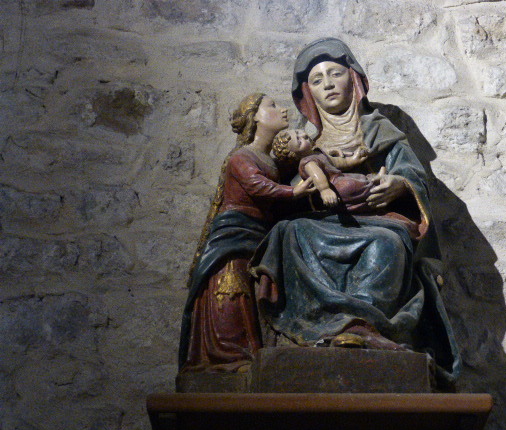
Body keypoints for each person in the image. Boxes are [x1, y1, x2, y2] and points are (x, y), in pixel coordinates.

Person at [250, 38, 461, 383]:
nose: (328, 84)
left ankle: (363, 325)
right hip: (321, 221)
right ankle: (320, 327)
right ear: (308, 94)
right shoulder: (302, 141)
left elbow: (414, 178)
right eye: (317, 80)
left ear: (354, 80)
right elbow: (289, 190)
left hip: (379, 222)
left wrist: (398, 185)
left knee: (388, 244)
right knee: (289, 233)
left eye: (335, 74)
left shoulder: (382, 130)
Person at [178, 93, 314, 373]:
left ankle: (253, 350)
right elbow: (256, 185)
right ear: (255, 118)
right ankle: (225, 355)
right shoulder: (241, 157)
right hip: (234, 233)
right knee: (231, 289)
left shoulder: (269, 160)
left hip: (257, 232)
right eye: (272, 106)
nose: (283, 110)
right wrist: (293, 191)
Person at [272, 128, 382, 212]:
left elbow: (337, 162)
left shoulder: (317, 152)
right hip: (333, 186)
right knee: (349, 185)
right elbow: (317, 176)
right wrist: (325, 190)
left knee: (357, 177)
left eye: (298, 132)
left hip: (339, 177)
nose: (303, 135)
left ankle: (373, 181)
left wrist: (352, 160)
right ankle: (373, 187)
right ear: (295, 155)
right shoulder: (308, 162)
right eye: (299, 142)